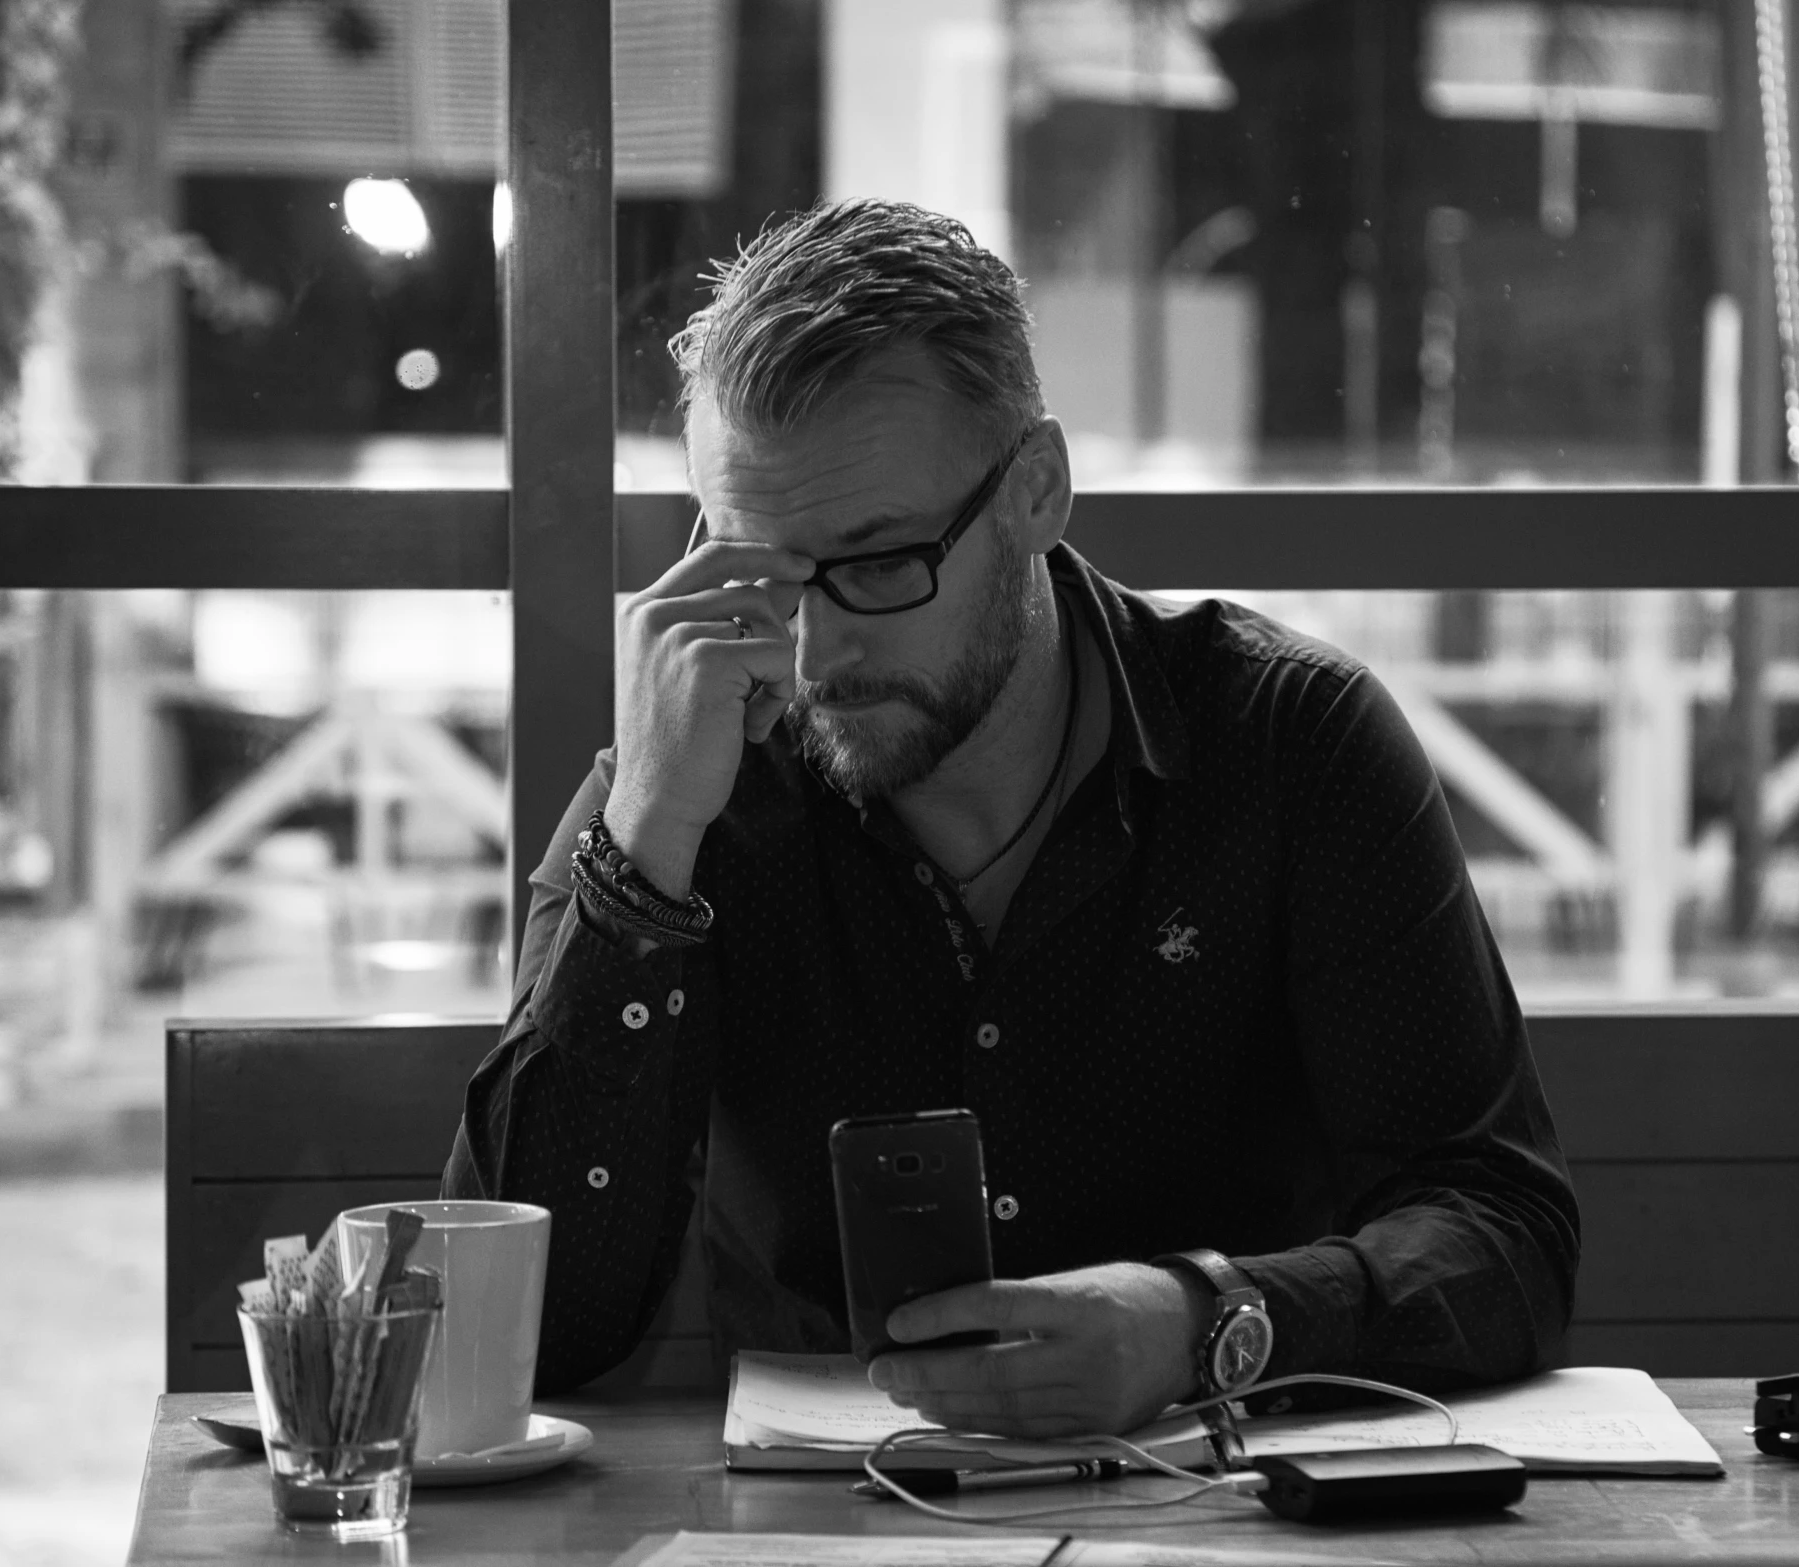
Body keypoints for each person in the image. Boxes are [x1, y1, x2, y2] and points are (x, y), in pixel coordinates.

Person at [444, 198, 1577, 1440]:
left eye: (879, 562)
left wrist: (1206, 1322)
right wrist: (645, 845)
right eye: (759, 569)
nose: (813, 648)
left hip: (1236, 1521)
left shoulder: (1286, 745)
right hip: (830, 1539)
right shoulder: (683, 783)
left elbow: (1498, 1229)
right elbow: (531, 1334)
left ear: (1035, 492)